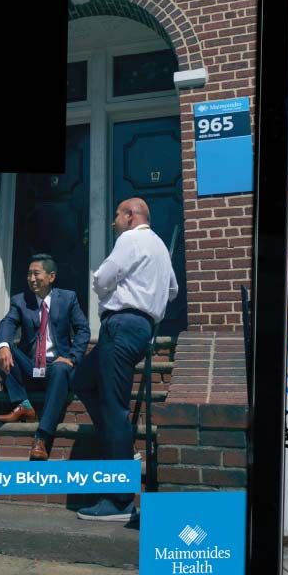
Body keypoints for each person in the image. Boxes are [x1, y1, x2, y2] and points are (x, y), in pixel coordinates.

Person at [73, 197, 178, 521]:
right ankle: (117, 440)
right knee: (82, 379)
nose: (113, 221)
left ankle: (120, 501)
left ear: (131, 216)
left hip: (120, 326)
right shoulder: (160, 247)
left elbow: (102, 278)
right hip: (140, 329)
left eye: (117, 215)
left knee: (115, 409)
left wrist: (114, 292)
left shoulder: (130, 239)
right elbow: (172, 290)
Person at [0, 254, 90, 460]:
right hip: (30, 367)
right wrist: (4, 346)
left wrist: (72, 357)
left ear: (51, 276)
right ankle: (23, 404)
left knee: (61, 368)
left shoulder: (68, 298)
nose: (31, 278)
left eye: (36, 273)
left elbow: (83, 330)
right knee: (1, 346)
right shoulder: (20, 301)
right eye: (29, 274)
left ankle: (42, 438)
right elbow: (7, 323)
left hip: (57, 367)